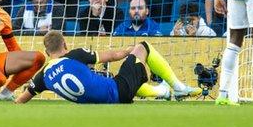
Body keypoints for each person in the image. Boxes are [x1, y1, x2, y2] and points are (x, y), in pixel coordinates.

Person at [15, 30, 201, 104]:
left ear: (47, 53)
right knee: (143, 47)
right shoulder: (75, 55)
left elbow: (21, 100)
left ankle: (163, 93)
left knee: (111, 78)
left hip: (106, 97)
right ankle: (179, 88)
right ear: (65, 44)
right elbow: (112, 55)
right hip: (119, 94)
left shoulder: (43, 76)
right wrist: (132, 51)